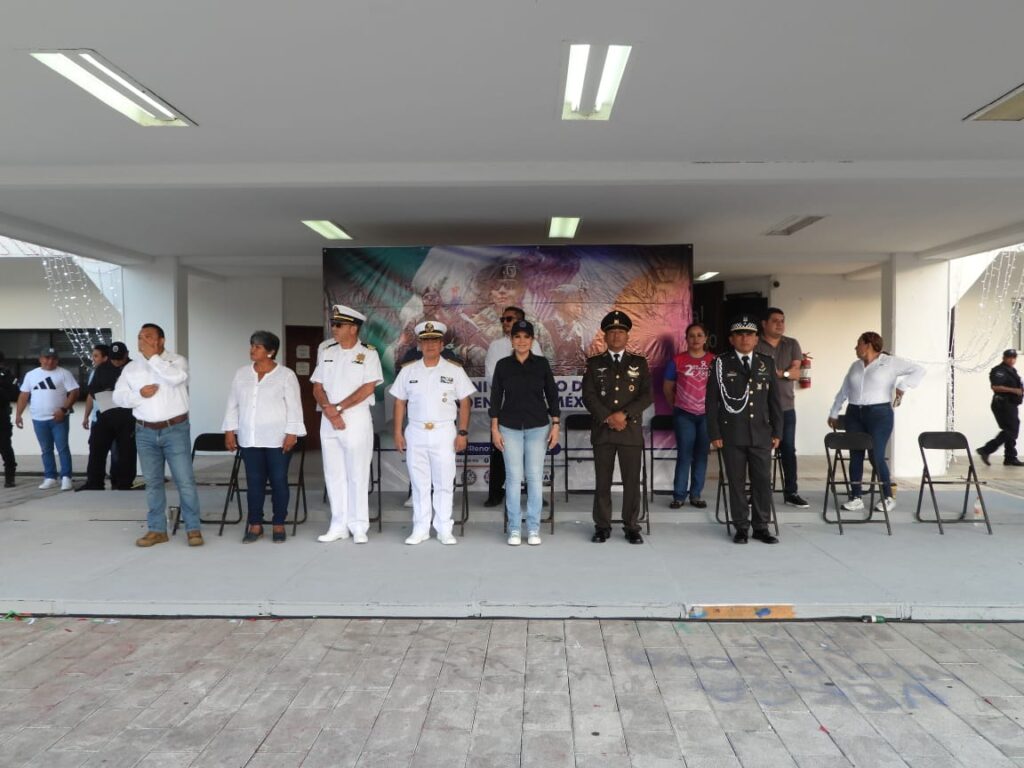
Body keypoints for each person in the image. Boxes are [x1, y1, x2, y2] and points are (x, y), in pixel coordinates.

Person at [113, 324, 204, 547]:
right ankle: (157, 529)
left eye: (148, 336)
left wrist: (154, 358)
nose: (142, 340)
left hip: (175, 430)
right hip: (144, 431)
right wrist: (139, 395)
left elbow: (176, 378)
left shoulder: (177, 361)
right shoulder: (131, 369)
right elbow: (118, 397)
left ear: (161, 340)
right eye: (139, 337)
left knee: (184, 481)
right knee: (152, 482)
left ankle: (193, 528)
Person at [391, 321, 475, 545]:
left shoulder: (454, 370)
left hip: (444, 431)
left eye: (434, 341)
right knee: (419, 483)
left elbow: (465, 403)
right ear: (419, 344)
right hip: (416, 430)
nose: (430, 345)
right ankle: (420, 528)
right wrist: (398, 432)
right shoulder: (408, 370)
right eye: (425, 341)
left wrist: (463, 432)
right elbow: (400, 402)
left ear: (441, 344)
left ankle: (444, 528)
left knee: (444, 482)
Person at [828, 331, 926, 513]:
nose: (855, 347)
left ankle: (888, 495)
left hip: (879, 414)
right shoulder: (855, 366)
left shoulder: (888, 362)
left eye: (858, 343)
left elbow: (919, 369)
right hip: (854, 412)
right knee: (856, 454)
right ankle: (856, 496)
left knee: (876, 454)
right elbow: (844, 390)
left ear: (868, 344)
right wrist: (834, 411)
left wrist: (902, 386)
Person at [223, 331, 307, 544]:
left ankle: (278, 523)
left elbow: (295, 407)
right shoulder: (241, 374)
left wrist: (292, 433)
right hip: (250, 438)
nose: (252, 350)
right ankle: (255, 524)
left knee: (279, 480)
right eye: (252, 345)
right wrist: (229, 431)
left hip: (277, 438)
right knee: (254, 482)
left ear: (271, 351)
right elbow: (232, 403)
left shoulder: (286, 375)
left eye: (258, 347)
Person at [706, 315, 783, 544]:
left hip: (761, 433)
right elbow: (711, 402)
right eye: (739, 334)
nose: (744, 338)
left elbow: (775, 401)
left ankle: (761, 527)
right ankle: (741, 526)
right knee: (736, 483)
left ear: (756, 338)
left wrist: (777, 432)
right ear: (732, 339)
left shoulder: (766, 362)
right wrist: (715, 433)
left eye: (749, 334)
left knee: (762, 482)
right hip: (732, 434)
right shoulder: (721, 363)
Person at [312, 304, 383, 544]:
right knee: (333, 474)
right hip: (329, 419)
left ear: (353, 329)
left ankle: (359, 525)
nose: (334, 328)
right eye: (333, 324)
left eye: (338, 325)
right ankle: (338, 524)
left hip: (355, 418)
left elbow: (368, 387)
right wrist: (330, 411)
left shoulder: (369, 353)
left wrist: (338, 408)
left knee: (357, 473)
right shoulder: (327, 351)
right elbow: (317, 386)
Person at [581, 310, 652, 544]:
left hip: (630, 431)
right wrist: (608, 417)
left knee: (632, 482)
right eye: (611, 332)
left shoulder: (639, 363)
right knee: (603, 481)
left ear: (627, 336)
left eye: (620, 331)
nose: (616, 336)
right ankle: (602, 526)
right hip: (603, 431)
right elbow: (589, 396)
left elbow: (647, 395)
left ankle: (631, 526)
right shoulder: (594, 363)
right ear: (605, 336)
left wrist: (624, 414)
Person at [489, 319, 560, 545]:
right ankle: (514, 529)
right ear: (511, 340)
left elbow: (552, 395)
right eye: (517, 337)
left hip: (538, 426)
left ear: (532, 340)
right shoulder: (503, 365)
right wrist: (494, 428)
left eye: (526, 337)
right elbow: (495, 398)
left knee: (534, 478)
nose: (521, 341)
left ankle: (533, 528)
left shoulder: (541, 364)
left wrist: (556, 424)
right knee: (512, 478)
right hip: (508, 427)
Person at [483, 305, 543, 509]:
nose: (506, 323)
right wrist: (513, 382)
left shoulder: (533, 346)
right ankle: (495, 493)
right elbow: (492, 377)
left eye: (510, 319)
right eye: (503, 319)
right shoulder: (495, 346)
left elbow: (539, 374)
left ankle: (534, 496)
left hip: (530, 408)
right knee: (500, 451)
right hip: (505, 406)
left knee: (530, 455)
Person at [755, 308, 809, 508]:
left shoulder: (792, 343)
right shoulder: (755, 344)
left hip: (786, 407)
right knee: (760, 452)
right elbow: (756, 373)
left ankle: (791, 492)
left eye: (782, 321)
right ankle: (758, 492)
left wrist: (778, 373)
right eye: (775, 321)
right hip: (761, 407)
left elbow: (796, 374)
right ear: (764, 323)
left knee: (788, 450)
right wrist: (783, 372)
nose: (780, 324)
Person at [662, 322, 714, 509]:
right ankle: (679, 496)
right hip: (684, 415)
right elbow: (667, 387)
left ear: (706, 339)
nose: (695, 339)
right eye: (691, 335)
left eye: (700, 335)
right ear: (686, 339)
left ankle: (696, 495)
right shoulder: (677, 361)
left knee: (701, 455)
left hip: (707, 416)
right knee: (685, 455)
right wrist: (676, 405)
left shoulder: (713, 361)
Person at [15, 347, 79, 491]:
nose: (50, 361)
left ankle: (66, 477)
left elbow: (74, 392)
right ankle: (50, 477)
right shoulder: (31, 375)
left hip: (59, 418)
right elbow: (24, 395)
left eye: (53, 358)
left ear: (57, 360)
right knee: (46, 449)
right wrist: (18, 414)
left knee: (62, 448)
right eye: (46, 358)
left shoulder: (64, 373)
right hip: (38, 418)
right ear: (40, 359)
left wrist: (64, 409)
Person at [81, 342, 137, 490]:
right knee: (96, 447)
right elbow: (92, 389)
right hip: (105, 414)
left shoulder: (136, 368)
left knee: (126, 451)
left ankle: (124, 482)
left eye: (119, 358)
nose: (116, 361)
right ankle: (94, 482)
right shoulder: (103, 368)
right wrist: (107, 393)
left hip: (127, 416)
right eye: (113, 358)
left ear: (126, 354)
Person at [977, 349, 1024, 467]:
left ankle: (1010, 457)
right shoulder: (999, 370)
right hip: (1003, 403)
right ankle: (986, 450)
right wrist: (1014, 390)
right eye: (1009, 357)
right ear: (1003, 358)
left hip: (1011, 404)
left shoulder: (1012, 371)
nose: (1012, 360)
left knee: (1012, 429)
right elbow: (996, 387)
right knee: (1011, 429)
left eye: (1014, 357)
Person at [0, 352, 19, 488]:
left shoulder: (6, 375)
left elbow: (15, 393)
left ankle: (10, 476)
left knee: (5, 446)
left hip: (2, 415)